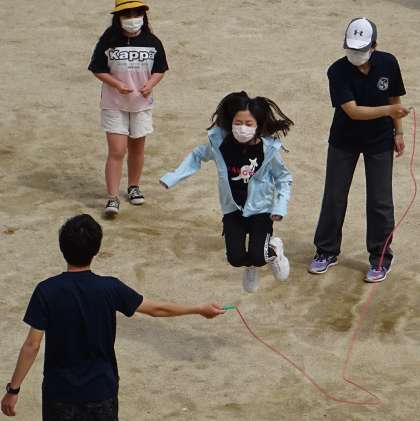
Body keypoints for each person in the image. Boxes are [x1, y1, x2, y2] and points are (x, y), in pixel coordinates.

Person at [0, 214, 224, 420]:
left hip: (60, 393)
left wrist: (13, 390)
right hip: (101, 391)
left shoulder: (46, 290)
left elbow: (32, 345)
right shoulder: (110, 288)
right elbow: (157, 309)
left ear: (62, 248)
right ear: (96, 250)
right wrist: (199, 308)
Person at [308, 17, 410, 282]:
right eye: (351, 48)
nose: (355, 54)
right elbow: (353, 111)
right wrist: (389, 111)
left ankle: (380, 258)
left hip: (380, 140)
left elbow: (394, 96)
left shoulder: (388, 63)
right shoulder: (337, 71)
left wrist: (398, 131)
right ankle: (326, 251)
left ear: (374, 46)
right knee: (334, 196)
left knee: (380, 200)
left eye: (361, 49)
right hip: (344, 140)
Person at [160, 91, 293, 293]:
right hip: (233, 209)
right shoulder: (220, 144)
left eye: (248, 124)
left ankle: (273, 250)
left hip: (261, 210)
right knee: (235, 258)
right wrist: (173, 177)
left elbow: (283, 178)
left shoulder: (268, 150)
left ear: (258, 125)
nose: (242, 128)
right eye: (238, 123)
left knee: (259, 256)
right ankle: (249, 265)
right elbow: (197, 155)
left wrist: (280, 207)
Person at [88, 0, 169, 216]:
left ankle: (133, 187)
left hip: (141, 105)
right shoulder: (108, 40)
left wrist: (150, 85)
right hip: (114, 105)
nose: (132, 19)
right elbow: (97, 68)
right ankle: (112, 197)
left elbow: (160, 68)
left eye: (136, 14)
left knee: (137, 149)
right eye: (127, 15)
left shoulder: (152, 41)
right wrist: (116, 84)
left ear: (143, 15)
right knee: (117, 151)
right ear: (118, 18)